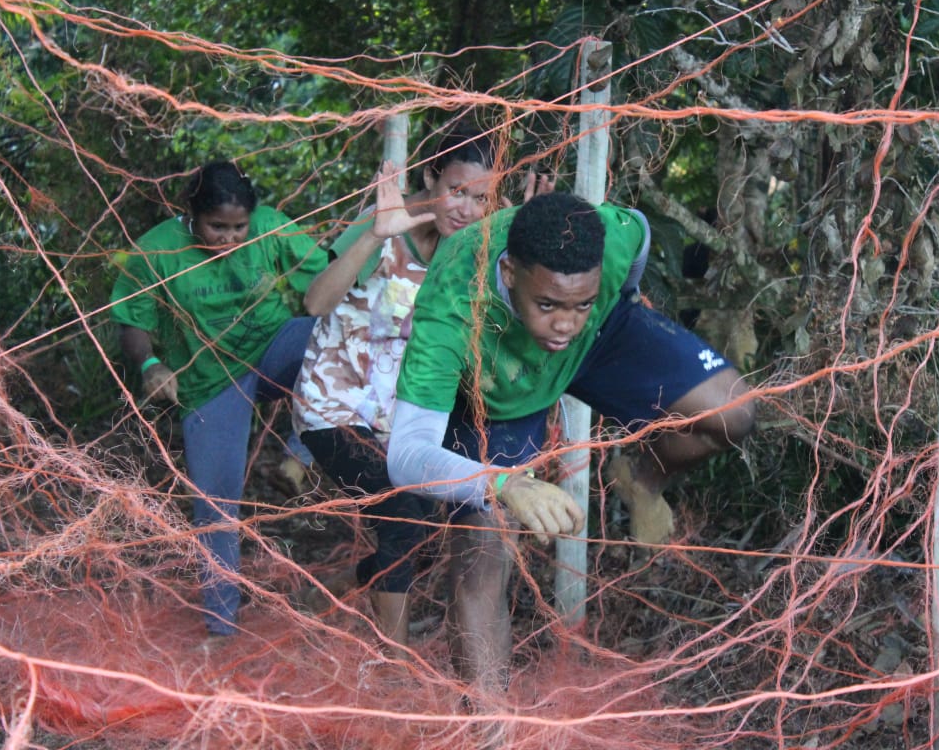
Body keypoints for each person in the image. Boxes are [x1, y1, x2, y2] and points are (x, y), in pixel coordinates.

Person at [386, 190, 756, 695]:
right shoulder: (450, 311)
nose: (564, 324)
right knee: (482, 558)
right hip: (497, 397)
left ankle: (641, 481)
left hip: (597, 343)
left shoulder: (614, 237)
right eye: (547, 304)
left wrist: (607, 309)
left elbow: (639, 237)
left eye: (579, 303)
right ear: (510, 273)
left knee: (733, 410)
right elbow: (405, 454)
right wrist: (503, 484)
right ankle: (489, 727)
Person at [292, 130, 548, 648]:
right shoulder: (386, 223)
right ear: (431, 176)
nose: (467, 210)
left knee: (424, 541)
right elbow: (315, 302)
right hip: (333, 408)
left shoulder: (477, 250)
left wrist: (523, 235)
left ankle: (331, 592)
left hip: (405, 421)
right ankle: (396, 667)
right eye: (456, 191)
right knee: (403, 517)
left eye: (482, 200)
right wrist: (374, 234)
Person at [110, 160, 328, 639]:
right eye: (217, 228)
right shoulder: (156, 250)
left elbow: (327, 281)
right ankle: (222, 625)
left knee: (331, 335)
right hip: (210, 381)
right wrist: (151, 366)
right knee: (215, 508)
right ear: (192, 214)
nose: (229, 239)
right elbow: (132, 321)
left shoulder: (271, 227)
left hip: (273, 348)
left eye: (238, 229)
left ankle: (299, 456)